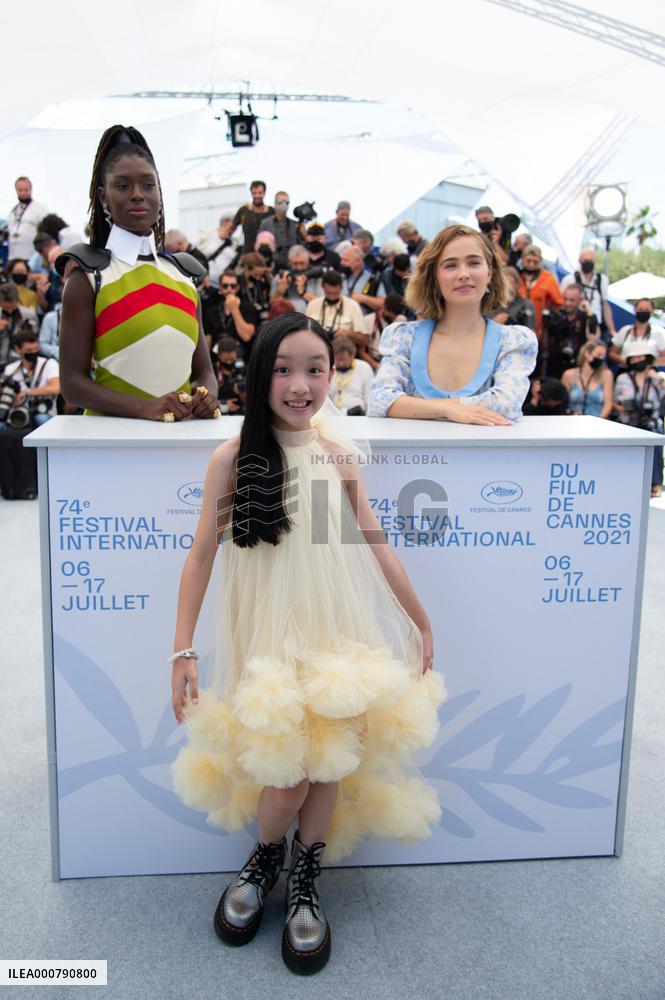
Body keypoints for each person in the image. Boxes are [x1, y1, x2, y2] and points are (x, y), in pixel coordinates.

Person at [169, 312, 443, 974]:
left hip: (335, 635)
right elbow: (202, 554)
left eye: (314, 370)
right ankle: (266, 855)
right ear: (260, 375)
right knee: (284, 774)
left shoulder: (338, 455)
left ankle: (304, 877)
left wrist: (419, 619)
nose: (300, 385)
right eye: (284, 369)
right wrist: (182, 648)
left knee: (328, 762)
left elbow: (375, 543)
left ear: (332, 375)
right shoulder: (232, 459)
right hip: (268, 641)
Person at [56, 125, 218, 421]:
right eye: (122, 186)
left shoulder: (183, 276)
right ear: (103, 197)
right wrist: (145, 408)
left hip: (179, 442)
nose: (137, 195)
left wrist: (205, 396)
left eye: (147, 185)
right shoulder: (89, 278)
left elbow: (204, 371)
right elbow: (72, 385)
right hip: (110, 445)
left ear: (159, 191)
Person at [368, 224, 537, 423]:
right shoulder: (404, 337)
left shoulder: (512, 341)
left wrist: (422, 407)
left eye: (474, 263)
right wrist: (449, 410)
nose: (463, 274)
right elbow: (379, 401)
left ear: (489, 273)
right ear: (434, 277)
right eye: (450, 265)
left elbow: (506, 404)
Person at [614, 341, 665, 496]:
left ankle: (655, 482)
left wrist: (659, 380)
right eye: (633, 359)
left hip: (651, 422)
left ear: (648, 358)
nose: (637, 361)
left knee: (656, 435)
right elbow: (621, 400)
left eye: (640, 357)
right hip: (629, 421)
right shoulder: (624, 378)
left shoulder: (659, 379)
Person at [0, 327, 60, 428]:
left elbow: (56, 388)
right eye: (28, 350)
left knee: (41, 419)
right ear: (17, 349)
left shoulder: (49, 363)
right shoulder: (11, 369)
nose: (33, 352)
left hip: (40, 411)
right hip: (15, 413)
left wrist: (27, 392)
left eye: (36, 349)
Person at [542, 284, 599, 379]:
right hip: (555, 363)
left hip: (575, 364)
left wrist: (589, 311)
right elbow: (545, 339)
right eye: (565, 299)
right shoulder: (556, 315)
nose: (567, 303)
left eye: (572, 300)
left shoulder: (585, 317)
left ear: (580, 301)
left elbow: (593, 338)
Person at [560, 247, 616, 340]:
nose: (588, 263)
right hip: (574, 324)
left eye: (591, 260)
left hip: (594, 324)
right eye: (585, 260)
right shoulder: (569, 279)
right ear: (580, 261)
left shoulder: (602, 280)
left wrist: (612, 330)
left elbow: (605, 305)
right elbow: (561, 302)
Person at [305, 270, 367, 349]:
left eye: (335, 293)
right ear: (322, 287)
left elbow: (364, 339)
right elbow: (304, 333)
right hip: (315, 349)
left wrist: (349, 334)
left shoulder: (353, 306)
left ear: (341, 288)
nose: (332, 297)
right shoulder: (312, 305)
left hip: (342, 352)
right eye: (329, 292)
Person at [207, 270, 258, 359]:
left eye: (233, 286)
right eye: (225, 286)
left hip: (241, 357)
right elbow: (207, 340)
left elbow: (246, 336)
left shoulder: (248, 308)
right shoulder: (212, 311)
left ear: (238, 287)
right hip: (217, 357)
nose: (229, 289)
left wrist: (234, 309)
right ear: (220, 287)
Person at [518, 245, 563, 341]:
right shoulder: (516, 276)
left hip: (537, 330)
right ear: (522, 259)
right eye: (528, 261)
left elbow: (559, 302)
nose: (531, 264)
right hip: (515, 325)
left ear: (541, 261)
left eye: (535, 261)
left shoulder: (548, 278)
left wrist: (547, 311)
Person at [561, 340, 613, 418]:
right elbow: (562, 402)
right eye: (599, 355)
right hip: (573, 420)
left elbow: (608, 404)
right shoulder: (569, 375)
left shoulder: (606, 375)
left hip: (597, 421)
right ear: (587, 353)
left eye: (603, 357)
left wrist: (599, 421)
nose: (601, 359)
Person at [610, 298, 665, 367]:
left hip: (649, 373)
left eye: (647, 310)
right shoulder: (625, 331)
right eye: (640, 309)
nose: (643, 312)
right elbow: (612, 352)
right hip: (626, 372)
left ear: (652, 311)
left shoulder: (659, 332)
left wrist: (647, 365)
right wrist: (626, 362)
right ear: (635, 310)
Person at [257, 191, 303, 270]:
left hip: (292, 265)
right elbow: (258, 246)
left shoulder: (294, 225)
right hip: (272, 266)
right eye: (281, 202)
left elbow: (301, 245)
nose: (284, 205)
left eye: (287, 202)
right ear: (275, 203)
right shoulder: (266, 224)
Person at [328, 337, 374, 414]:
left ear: (352, 356)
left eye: (343, 359)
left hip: (358, 415)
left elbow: (370, 397)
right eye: (337, 360)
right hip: (334, 415)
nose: (341, 363)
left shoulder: (364, 367)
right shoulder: (329, 369)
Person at [7, 177, 47, 261]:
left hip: (31, 259)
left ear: (31, 189)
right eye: (20, 190)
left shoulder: (40, 208)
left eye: (26, 190)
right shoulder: (13, 210)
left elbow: (47, 230)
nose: (23, 193)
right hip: (13, 259)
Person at [340, 245, 385, 315]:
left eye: (346, 260)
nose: (342, 263)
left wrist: (364, 299)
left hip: (363, 319)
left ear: (358, 261)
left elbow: (383, 303)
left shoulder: (372, 279)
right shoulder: (340, 277)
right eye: (342, 259)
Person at [0, 282, 38, 367]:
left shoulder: (29, 315)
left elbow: (34, 339)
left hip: (19, 361)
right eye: (6, 308)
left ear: (17, 300)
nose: (9, 311)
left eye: (12, 307)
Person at [232, 180, 275, 252]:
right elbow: (231, 228)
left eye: (260, 193)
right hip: (248, 255)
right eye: (254, 193)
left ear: (264, 193)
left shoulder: (272, 211)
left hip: (268, 254)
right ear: (251, 193)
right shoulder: (244, 210)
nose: (257, 196)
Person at [198, 216, 238, 284]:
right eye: (232, 227)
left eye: (235, 228)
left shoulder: (233, 243)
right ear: (223, 223)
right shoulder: (206, 235)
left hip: (223, 286)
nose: (233, 230)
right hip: (204, 282)